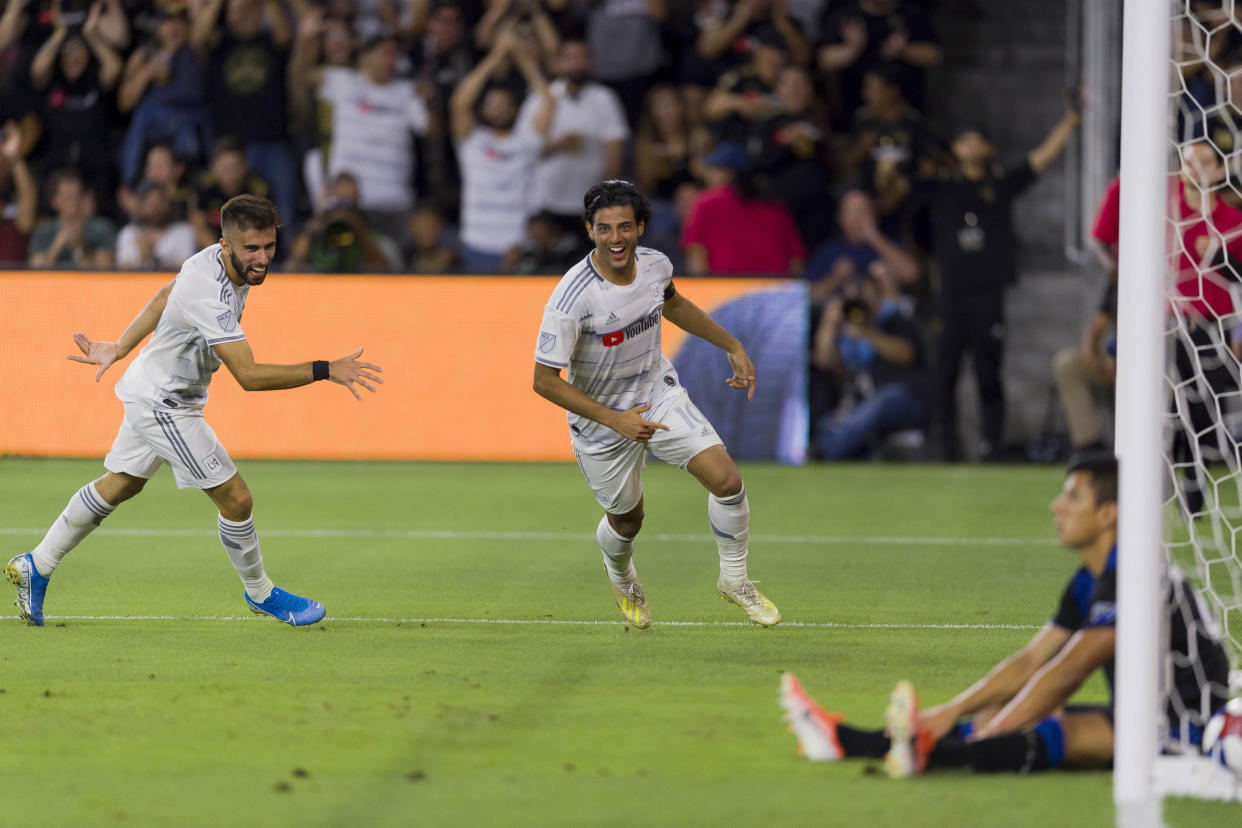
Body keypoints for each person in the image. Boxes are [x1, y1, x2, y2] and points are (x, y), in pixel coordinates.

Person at [5, 195, 383, 628]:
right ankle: (261, 593)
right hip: (164, 403)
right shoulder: (211, 292)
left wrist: (121, 347)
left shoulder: (208, 260)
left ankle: (38, 563)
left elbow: (166, 294)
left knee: (120, 486)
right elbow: (249, 375)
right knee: (237, 499)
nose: (263, 259)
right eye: (252, 250)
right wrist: (325, 369)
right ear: (226, 244)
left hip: (154, 388)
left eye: (269, 247)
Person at [778, 452, 1231, 777]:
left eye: (1072, 497)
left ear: (1108, 514)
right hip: (1140, 714)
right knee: (1006, 708)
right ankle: (847, 740)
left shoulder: (1133, 576)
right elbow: (1032, 661)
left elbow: (1070, 669)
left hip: (1190, 728)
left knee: (1054, 727)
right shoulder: (1087, 581)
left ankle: (933, 760)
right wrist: (952, 710)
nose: (1057, 506)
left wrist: (998, 728)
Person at [532, 180, 780, 630]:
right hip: (602, 421)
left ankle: (735, 579)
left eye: (625, 227)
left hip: (657, 395)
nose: (616, 238)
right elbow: (544, 382)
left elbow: (674, 304)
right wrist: (614, 420)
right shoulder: (572, 298)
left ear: (641, 227)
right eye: (604, 229)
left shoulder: (655, 266)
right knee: (628, 521)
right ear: (590, 231)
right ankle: (621, 573)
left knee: (726, 479)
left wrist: (731, 344)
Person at [928, 99, 1081, 461]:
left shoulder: (999, 184)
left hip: (988, 293)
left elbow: (1039, 160)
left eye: (976, 140)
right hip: (950, 295)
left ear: (988, 147)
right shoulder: (941, 190)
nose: (970, 147)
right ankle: (944, 447)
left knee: (988, 372)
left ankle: (991, 446)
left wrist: (1070, 122)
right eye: (963, 141)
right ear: (954, 148)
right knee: (944, 373)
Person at [449, 23, 554, 273]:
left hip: (516, 248)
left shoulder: (525, 141)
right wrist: (496, 54)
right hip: (475, 245)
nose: (498, 109)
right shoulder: (472, 141)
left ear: (516, 110)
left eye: (505, 104)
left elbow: (548, 103)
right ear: (483, 109)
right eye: (492, 104)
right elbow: (459, 103)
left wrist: (519, 56)